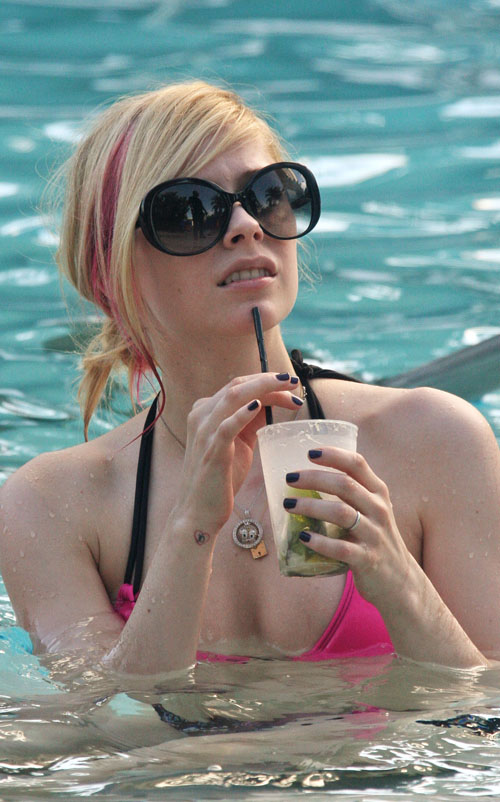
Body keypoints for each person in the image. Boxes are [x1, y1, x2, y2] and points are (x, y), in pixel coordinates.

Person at [1, 80, 500, 679]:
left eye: (267, 195)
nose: (244, 225)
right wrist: (189, 530)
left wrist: (399, 581)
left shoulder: (436, 440)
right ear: (109, 269)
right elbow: (105, 720)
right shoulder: (51, 505)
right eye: (190, 211)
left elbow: (486, 707)